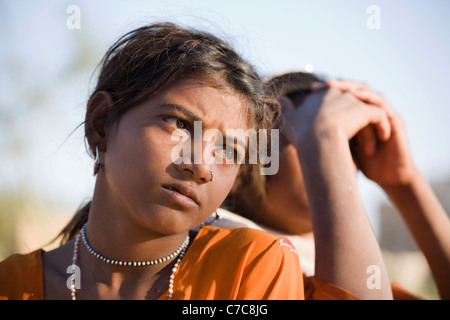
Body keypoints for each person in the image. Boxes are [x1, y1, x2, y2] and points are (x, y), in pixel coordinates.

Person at [0, 23, 373, 300]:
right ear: (101, 123)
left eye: (229, 150)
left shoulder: (251, 266)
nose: (201, 166)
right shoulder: (12, 284)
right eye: (179, 123)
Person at [220, 71, 450, 300]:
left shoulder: (364, 276)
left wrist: (404, 182)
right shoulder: (222, 251)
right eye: (305, 135)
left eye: (348, 144)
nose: (338, 161)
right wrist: (324, 136)